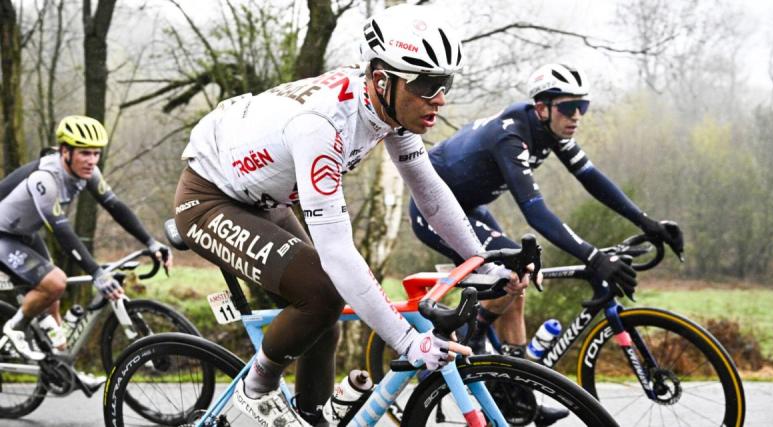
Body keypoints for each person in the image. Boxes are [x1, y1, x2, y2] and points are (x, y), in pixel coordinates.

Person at [173, 5, 535, 426]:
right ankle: (257, 387)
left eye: (445, 82)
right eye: (427, 84)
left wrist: (480, 259)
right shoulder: (322, 127)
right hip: (208, 199)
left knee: (323, 320)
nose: (440, 97)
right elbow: (338, 253)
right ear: (382, 79)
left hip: (264, 199)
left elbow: (430, 191)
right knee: (323, 291)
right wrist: (406, 341)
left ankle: (311, 418)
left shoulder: (389, 104)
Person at [409, 63, 684, 423]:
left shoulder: (552, 132)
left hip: (468, 207)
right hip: (433, 212)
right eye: (568, 108)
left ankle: (518, 399)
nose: (576, 117)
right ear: (542, 108)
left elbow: (593, 179)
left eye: (581, 108)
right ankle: (471, 338)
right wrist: (593, 257)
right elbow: (535, 212)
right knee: (512, 271)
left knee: (516, 282)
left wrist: (648, 224)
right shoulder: (511, 136)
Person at [0, 115, 173, 386]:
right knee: (55, 283)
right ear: (65, 152)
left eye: (96, 153)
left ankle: (62, 367)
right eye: (84, 153)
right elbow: (61, 230)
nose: (91, 160)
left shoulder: (89, 173)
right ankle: (14, 327)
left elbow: (116, 207)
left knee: (53, 298)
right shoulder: (44, 179)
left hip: (23, 233)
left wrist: (151, 242)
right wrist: (96, 273)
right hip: (3, 235)